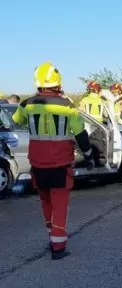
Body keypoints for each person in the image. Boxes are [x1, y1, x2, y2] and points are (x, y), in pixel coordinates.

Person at [12, 62, 94, 260]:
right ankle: (58, 245)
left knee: (45, 201)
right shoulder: (67, 105)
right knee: (59, 203)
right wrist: (89, 154)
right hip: (60, 163)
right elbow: (81, 133)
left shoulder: (26, 104)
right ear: (58, 82)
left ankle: (52, 235)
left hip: (37, 163)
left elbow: (16, 121)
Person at [78, 81, 108, 166]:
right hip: (99, 126)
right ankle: (99, 162)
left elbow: (80, 112)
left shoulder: (84, 100)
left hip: (87, 125)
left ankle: (88, 162)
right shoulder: (102, 101)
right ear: (98, 90)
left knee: (87, 145)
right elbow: (106, 114)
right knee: (98, 146)